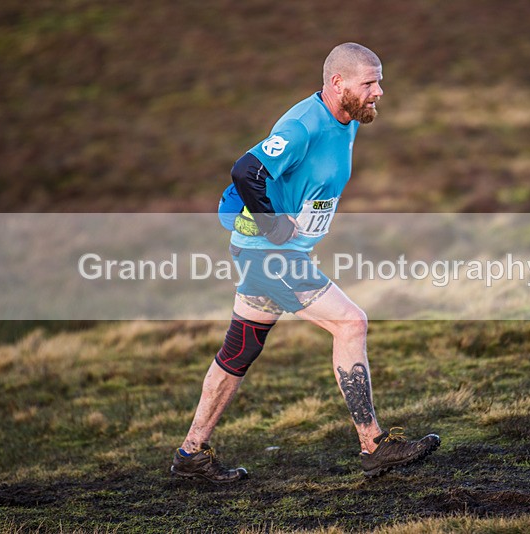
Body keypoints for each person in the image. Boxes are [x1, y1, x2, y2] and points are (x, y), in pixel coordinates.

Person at [170, 43, 440, 483]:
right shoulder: (301, 126)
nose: (379, 92)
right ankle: (372, 445)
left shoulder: (347, 119)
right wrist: (275, 228)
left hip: (278, 253)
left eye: (380, 81)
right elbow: (245, 170)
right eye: (369, 83)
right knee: (350, 323)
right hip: (267, 255)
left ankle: (191, 454)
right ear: (338, 83)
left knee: (240, 351)